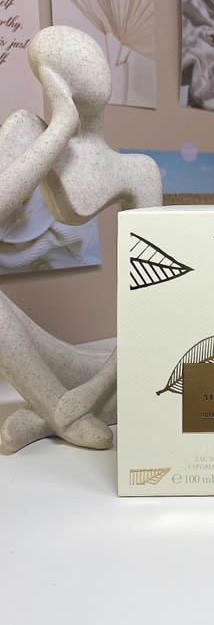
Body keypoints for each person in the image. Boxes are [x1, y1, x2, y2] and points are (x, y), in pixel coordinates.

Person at [0, 26, 162, 452]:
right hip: (58, 367)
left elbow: (149, 300)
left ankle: (50, 411)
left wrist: (92, 391)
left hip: (115, 371)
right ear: (52, 79)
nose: (89, 62)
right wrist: (61, 127)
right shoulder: (28, 130)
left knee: (122, 390)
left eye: (90, 53)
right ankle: (57, 411)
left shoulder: (138, 172)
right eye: (64, 59)